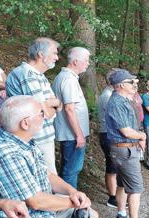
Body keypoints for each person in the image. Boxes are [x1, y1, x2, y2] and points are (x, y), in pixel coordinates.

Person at [0, 95, 98, 218]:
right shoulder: (7, 154)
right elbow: (36, 201)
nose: (45, 115)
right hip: (33, 213)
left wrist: (72, 192)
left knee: (92, 214)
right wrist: (75, 203)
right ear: (25, 123)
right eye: (41, 113)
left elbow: (47, 175)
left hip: (41, 212)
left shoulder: (25, 142)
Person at [5, 37, 62, 174]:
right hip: (35, 138)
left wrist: (53, 103)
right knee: (47, 181)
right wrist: (53, 104)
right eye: (54, 53)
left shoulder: (39, 76)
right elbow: (45, 113)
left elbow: (57, 106)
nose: (57, 57)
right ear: (41, 55)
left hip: (42, 136)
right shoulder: (28, 74)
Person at [105, 68, 146, 218]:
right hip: (124, 151)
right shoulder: (117, 102)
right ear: (121, 85)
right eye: (131, 82)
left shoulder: (123, 100)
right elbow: (126, 132)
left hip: (123, 150)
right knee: (135, 189)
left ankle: (121, 213)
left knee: (122, 184)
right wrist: (142, 136)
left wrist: (139, 138)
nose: (135, 84)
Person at [52, 47, 90, 188]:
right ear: (75, 62)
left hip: (71, 134)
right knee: (71, 171)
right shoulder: (68, 79)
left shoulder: (66, 77)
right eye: (85, 60)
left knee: (70, 169)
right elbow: (69, 109)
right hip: (72, 135)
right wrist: (79, 135)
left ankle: (67, 203)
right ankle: (69, 205)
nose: (88, 63)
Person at [97, 70, 118, 208]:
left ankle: (116, 195)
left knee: (114, 166)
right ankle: (112, 198)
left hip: (110, 134)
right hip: (108, 134)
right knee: (112, 166)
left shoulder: (112, 95)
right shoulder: (108, 96)